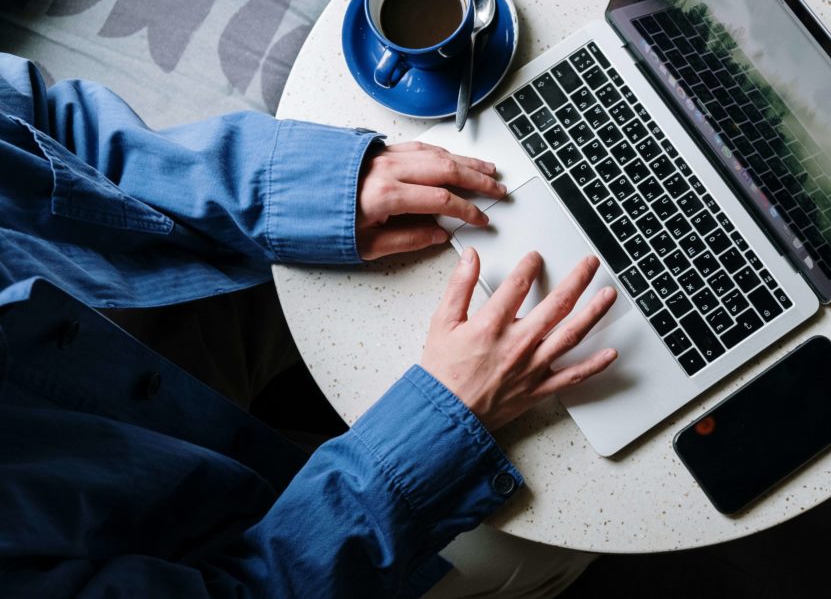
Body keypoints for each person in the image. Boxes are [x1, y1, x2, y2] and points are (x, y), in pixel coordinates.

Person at [0, 53, 617, 597]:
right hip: (196, 549)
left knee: (428, 231)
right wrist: (444, 423)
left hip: (125, 291)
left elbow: (47, 128)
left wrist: (314, 189)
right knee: (553, 542)